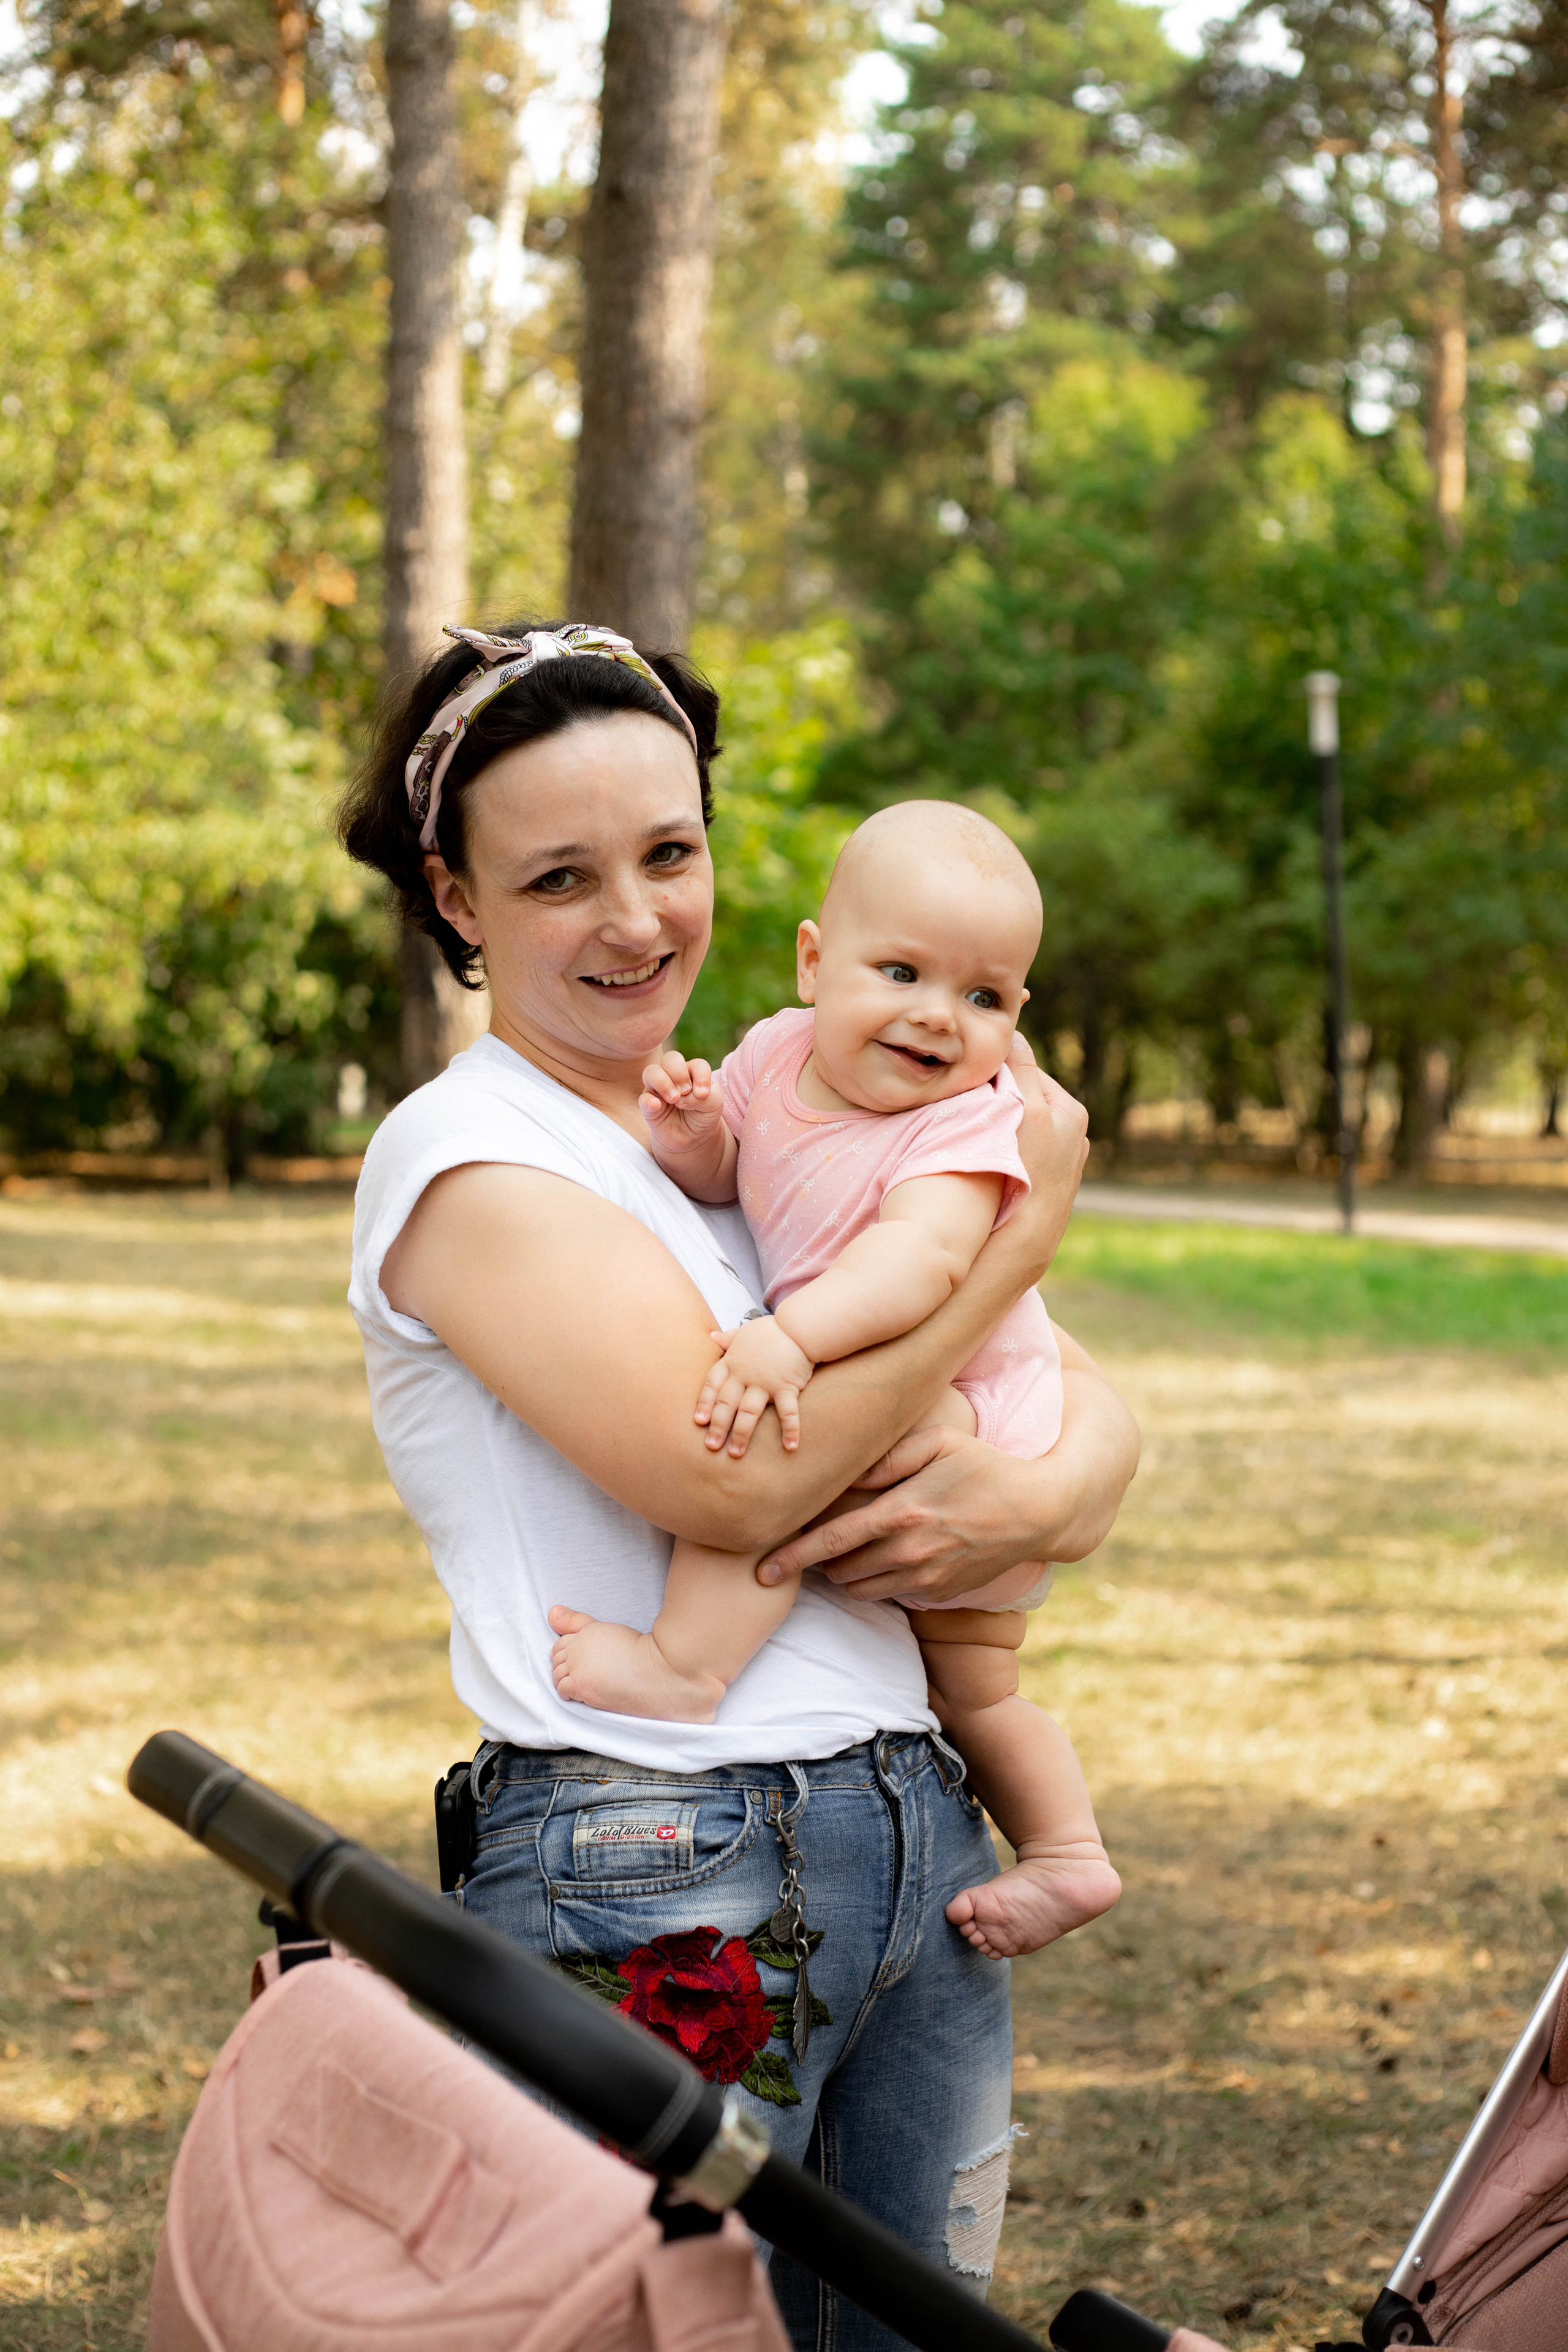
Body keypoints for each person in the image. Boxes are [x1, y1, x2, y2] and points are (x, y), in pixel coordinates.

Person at [339, 618, 1139, 2352]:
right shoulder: (467, 1159)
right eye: (559, 876)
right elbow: (739, 1493)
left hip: (919, 1839)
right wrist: (1015, 1251)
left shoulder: (768, 1122)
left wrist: (1057, 1492)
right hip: (657, 1847)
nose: (635, 920)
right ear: (458, 900)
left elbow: (1077, 1419)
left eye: (669, 852)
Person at [549, 799, 1120, 1966]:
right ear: (815, 963)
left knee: (792, 1468)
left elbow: (921, 1266)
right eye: (901, 970)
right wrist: (695, 1135)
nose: (935, 1017)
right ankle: (1066, 1854)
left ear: (1016, 1017)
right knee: (973, 1691)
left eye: (982, 997)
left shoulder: (964, 1126)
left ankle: (684, 1668)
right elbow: (732, 1173)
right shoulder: (770, 1054)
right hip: (922, 1392)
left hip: (968, 1409)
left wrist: (794, 1340)